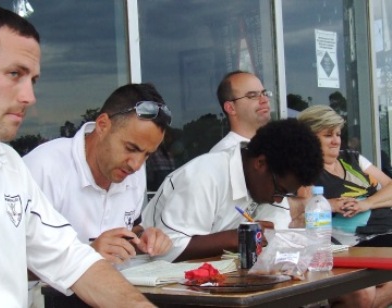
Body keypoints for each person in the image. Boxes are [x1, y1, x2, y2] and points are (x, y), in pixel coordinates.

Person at [0, 5, 154, 307]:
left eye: (32, 80)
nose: (29, 97)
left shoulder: (8, 166)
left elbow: (72, 260)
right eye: (14, 74)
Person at [23, 83, 173, 264]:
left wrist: (144, 237)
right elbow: (1, 260)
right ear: (102, 125)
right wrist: (86, 256)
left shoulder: (133, 172)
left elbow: (130, 227)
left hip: (107, 288)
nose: (137, 164)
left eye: (147, 154)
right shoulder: (43, 168)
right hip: (43, 292)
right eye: (131, 148)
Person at [141, 119, 323, 262]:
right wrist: (237, 238)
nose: (278, 200)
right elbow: (167, 249)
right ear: (260, 163)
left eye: (284, 195)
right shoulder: (205, 175)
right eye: (280, 191)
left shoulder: (269, 183)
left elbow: (274, 240)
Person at [294, 105, 392, 308]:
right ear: (309, 138)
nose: (336, 140)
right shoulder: (305, 169)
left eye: (338, 134)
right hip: (350, 246)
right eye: (328, 135)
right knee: (362, 295)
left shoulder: (353, 159)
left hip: (384, 235)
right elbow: (298, 208)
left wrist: (367, 203)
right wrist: (331, 204)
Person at [210, 70, 290, 229]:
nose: (264, 100)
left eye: (264, 93)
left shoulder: (274, 149)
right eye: (253, 96)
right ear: (230, 107)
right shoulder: (223, 155)